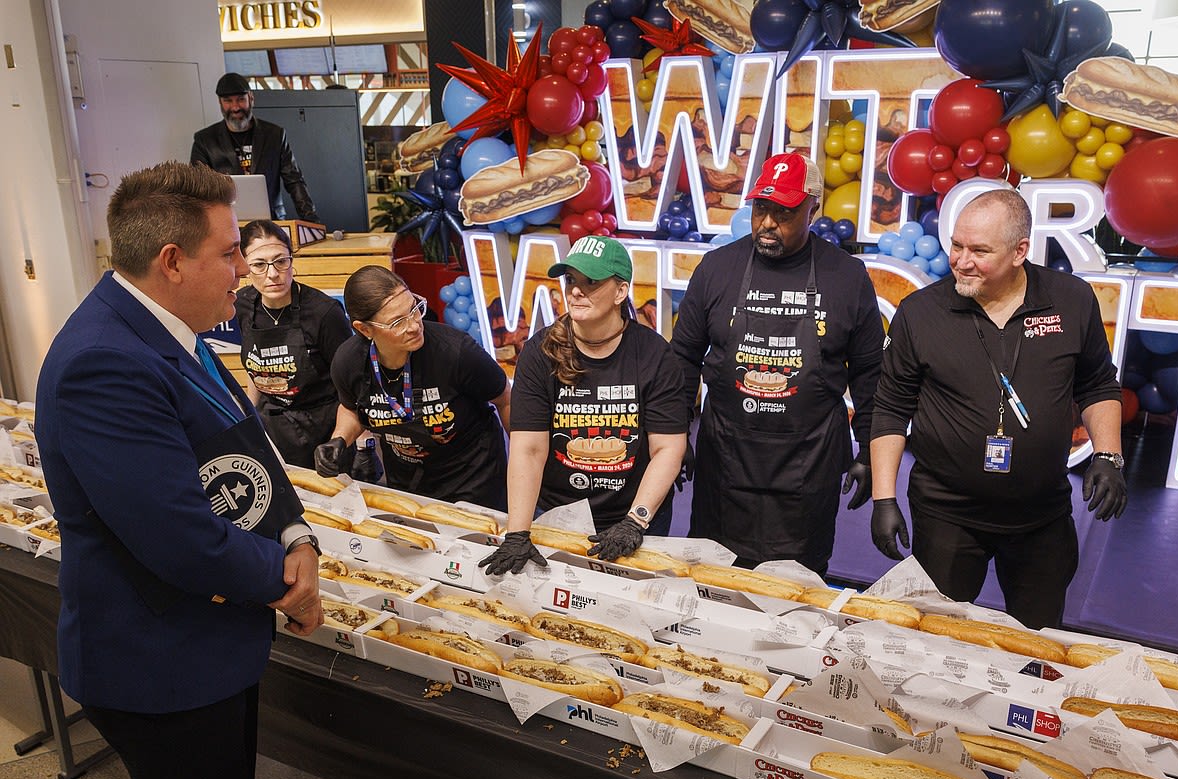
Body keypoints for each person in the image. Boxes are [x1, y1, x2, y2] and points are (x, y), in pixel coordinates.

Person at [34, 161, 321, 779]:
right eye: (229, 253)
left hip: (210, 642)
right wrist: (287, 580)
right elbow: (179, 538)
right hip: (161, 664)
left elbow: (247, 441)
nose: (243, 270)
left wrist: (296, 535)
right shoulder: (103, 362)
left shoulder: (171, 327)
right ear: (172, 262)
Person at [869, 188, 1126, 629]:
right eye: (956, 245)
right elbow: (891, 407)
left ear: (1019, 252)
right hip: (946, 513)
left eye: (980, 251)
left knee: (1039, 640)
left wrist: (1108, 454)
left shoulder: (1071, 299)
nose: (961, 261)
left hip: (1042, 514)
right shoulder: (920, 312)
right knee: (937, 635)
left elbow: (1097, 383)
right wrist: (883, 498)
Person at [670, 152, 884, 575]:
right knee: (713, 579)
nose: (767, 222)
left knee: (795, 589)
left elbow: (870, 374)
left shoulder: (846, 276)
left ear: (812, 210)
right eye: (761, 209)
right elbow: (683, 357)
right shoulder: (717, 269)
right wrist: (675, 433)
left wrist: (871, 450)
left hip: (808, 465)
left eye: (784, 212)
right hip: (725, 459)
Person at [481, 235, 688, 575]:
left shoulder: (654, 355)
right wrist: (518, 533)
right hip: (558, 513)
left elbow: (668, 448)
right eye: (571, 280)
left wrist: (635, 521)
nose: (576, 291)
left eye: (591, 281)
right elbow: (528, 448)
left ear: (620, 292)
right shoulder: (540, 352)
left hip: (635, 511)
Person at [318, 265, 510, 507]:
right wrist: (339, 439)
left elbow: (505, 398)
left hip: (473, 479)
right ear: (364, 329)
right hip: (406, 483)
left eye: (414, 309)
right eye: (397, 322)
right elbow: (352, 408)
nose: (414, 325)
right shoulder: (348, 362)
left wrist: (525, 464)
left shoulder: (457, 352)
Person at [234, 220, 352, 468]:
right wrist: (250, 416)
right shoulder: (242, 305)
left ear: (291, 259)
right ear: (244, 266)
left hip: (323, 429)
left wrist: (352, 442)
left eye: (281, 261)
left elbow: (352, 384)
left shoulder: (324, 312)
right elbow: (254, 371)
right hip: (272, 428)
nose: (272, 274)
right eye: (259, 265)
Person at [190, 72, 320, 223]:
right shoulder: (205, 140)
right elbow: (196, 190)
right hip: (228, 224)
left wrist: (312, 222)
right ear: (220, 103)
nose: (235, 107)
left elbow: (294, 181)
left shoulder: (274, 135)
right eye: (228, 101)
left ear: (251, 98)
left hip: (272, 222)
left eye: (241, 99)